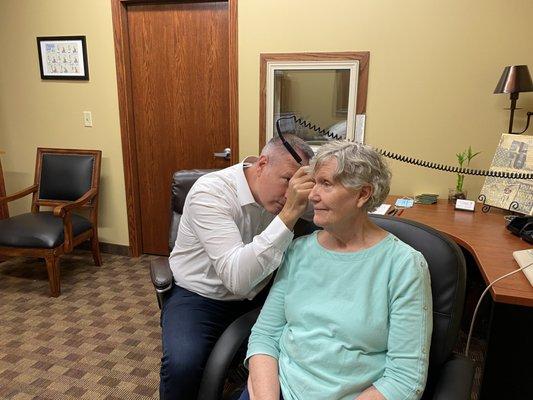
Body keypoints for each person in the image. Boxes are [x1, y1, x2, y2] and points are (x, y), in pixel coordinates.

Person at [242, 141, 433, 400]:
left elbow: (404, 379)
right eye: (315, 182)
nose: (312, 195)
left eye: (327, 184)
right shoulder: (299, 250)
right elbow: (265, 336)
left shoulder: (403, 265)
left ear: (363, 194)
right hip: (278, 390)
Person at [160, 134, 315, 399]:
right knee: (182, 364)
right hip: (201, 296)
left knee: (304, 350)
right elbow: (237, 279)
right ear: (262, 164)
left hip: (263, 291)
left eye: (298, 184)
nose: (291, 194)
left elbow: (328, 212)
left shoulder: (279, 195)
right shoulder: (211, 193)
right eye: (287, 180)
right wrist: (288, 215)